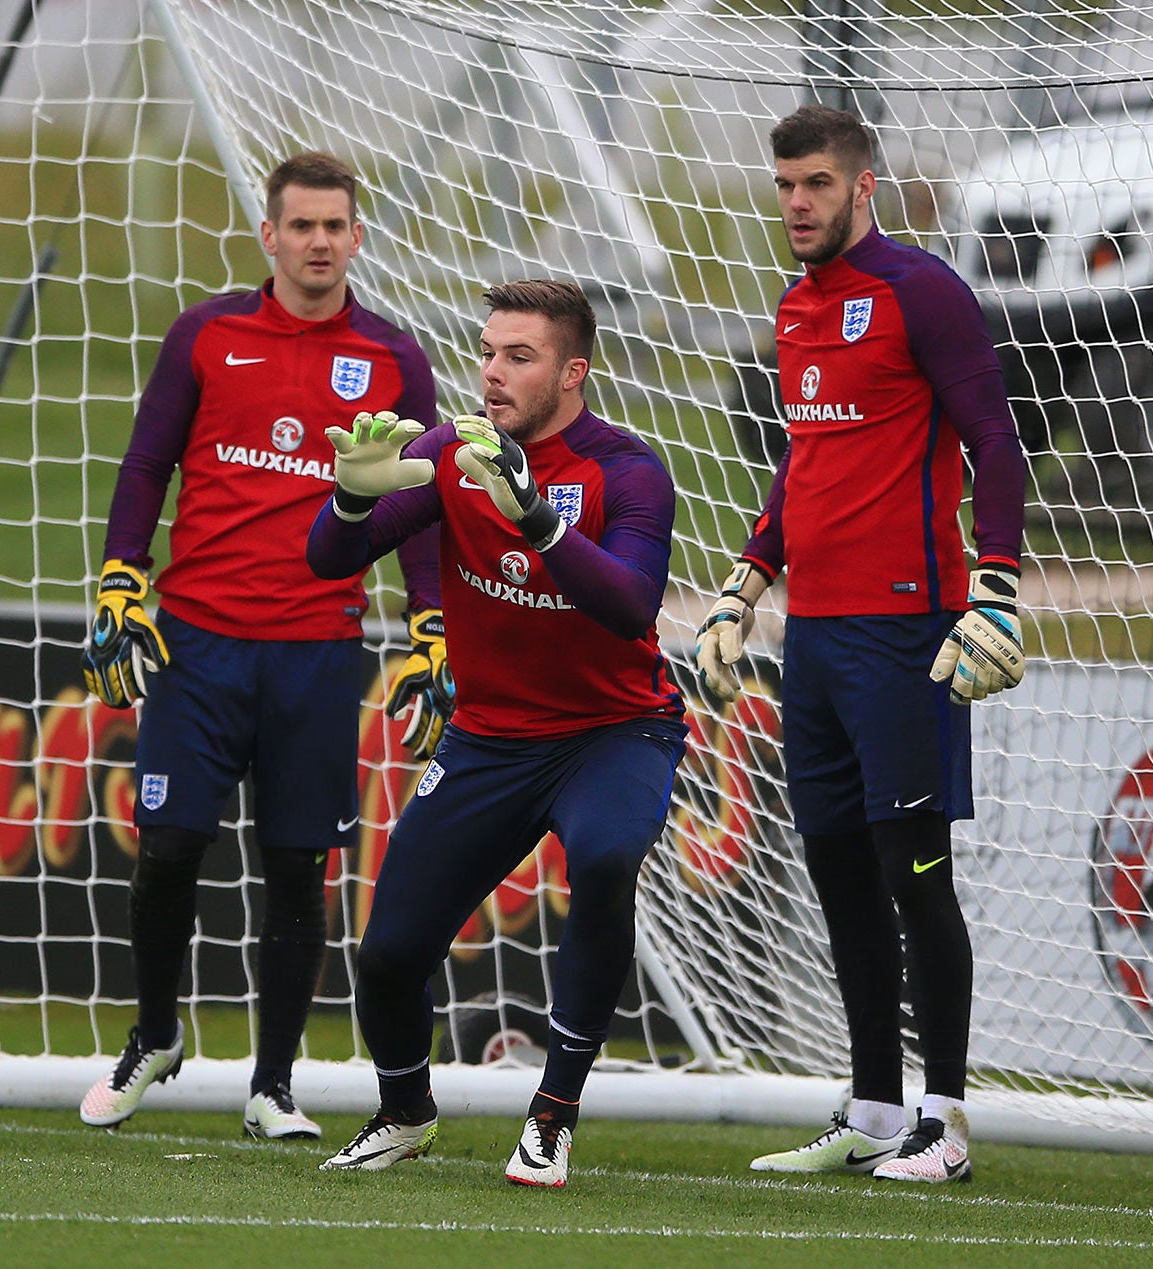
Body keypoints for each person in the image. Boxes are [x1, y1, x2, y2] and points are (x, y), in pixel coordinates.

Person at [76, 151, 449, 1141]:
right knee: (167, 850)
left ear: (356, 237)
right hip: (197, 646)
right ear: (269, 236)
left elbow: (426, 503)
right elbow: (147, 461)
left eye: (336, 226)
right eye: (302, 226)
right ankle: (155, 1034)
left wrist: (430, 623)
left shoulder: (393, 357)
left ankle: (272, 1085)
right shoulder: (207, 334)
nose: (319, 241)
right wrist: (122, 570)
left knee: (296, 870)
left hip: (316, 652)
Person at [694, 104, 1027, 1185]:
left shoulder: (920, 292)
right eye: (784, 185)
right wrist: (746, 583)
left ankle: (948, 1120)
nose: (795, 204)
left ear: (862, 186)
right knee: (835, 869)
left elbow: (993, 440)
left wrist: (998, 589)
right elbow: (804, 469)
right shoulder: (796, 308)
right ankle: (875, 1107)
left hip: (907, 634)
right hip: (817, 641)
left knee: (912, 870)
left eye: (815, 186)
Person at [303, 279, 685, 1190]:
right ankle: (403, 1112)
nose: (493, 373)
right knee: (389, 951)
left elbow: (630, 603)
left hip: (614, 731)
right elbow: (327, 557)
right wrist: (351, 503)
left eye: (520, 357)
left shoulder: (628, 472)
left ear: (573, 372)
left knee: (601, 859)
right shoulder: (453, 451)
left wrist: (537, 518)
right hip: (491, 739)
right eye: (486, 352)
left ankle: (552, 1115)